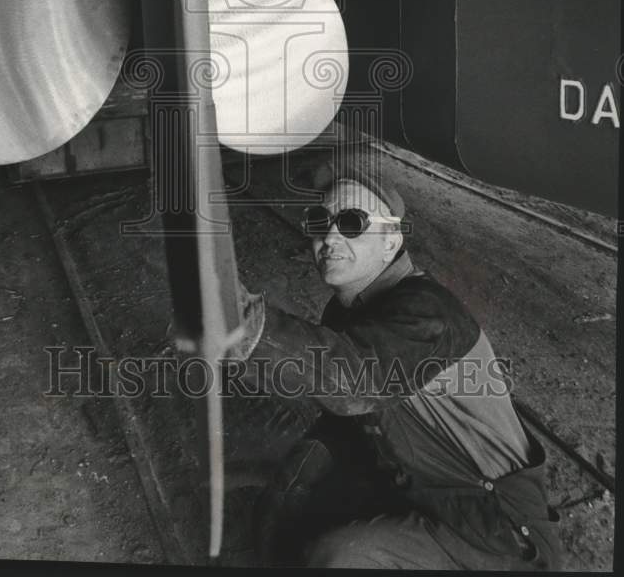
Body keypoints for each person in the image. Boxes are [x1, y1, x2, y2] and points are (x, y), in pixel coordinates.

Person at [227, 162, 563, 570]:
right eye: (320, 221)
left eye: (352, 222)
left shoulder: (426, 311)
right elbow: (355, 417)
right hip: (422, 488)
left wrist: (244, 325)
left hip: (491, 526)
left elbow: (353, 383)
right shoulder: (348, 309)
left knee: (337, 558)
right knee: (288, 513)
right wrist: (298, 472)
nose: (329, 236)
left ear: (391, 242)